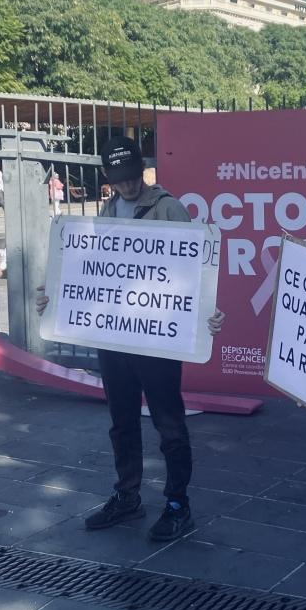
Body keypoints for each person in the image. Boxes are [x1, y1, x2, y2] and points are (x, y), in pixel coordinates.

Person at [36, 137, 224, 540]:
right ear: (108, 178)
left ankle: (178, 504)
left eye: (132, 177)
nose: (127, 187)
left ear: (143, 169)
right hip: (114, 337)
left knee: (168, 424)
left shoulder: (169, 208)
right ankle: (127, 495)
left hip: (156, 341)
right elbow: (88, 270)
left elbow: (195, 272)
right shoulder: (105, 211)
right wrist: (53, 299)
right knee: (121, 422)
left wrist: (207, 313)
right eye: (118, 180)